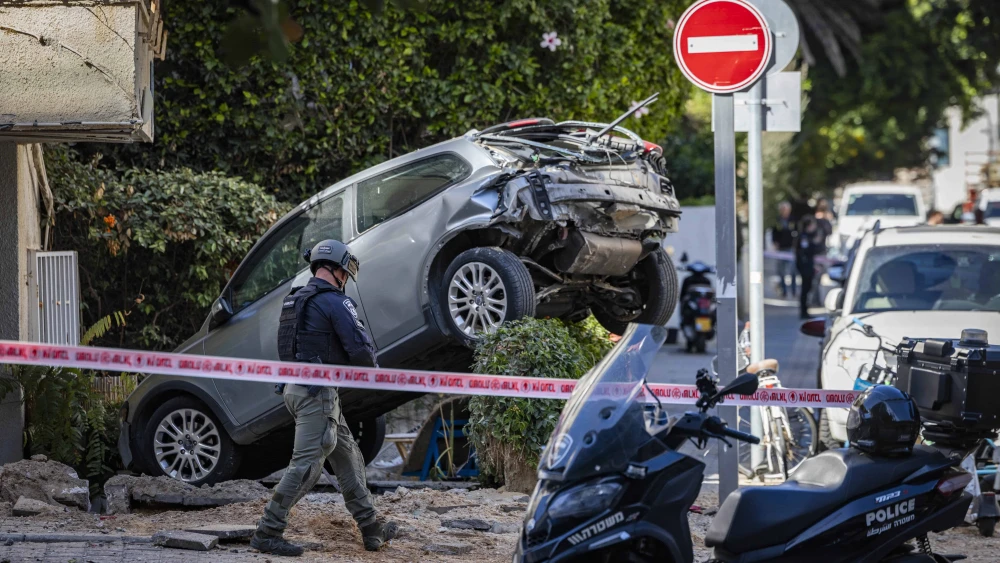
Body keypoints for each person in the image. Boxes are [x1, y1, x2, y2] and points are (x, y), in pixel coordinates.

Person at [251, 240, 398, 556]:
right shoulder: (334, 302)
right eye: (345, 270)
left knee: (347, 456)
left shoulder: (296, 300)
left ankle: (371, 528)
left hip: (298, 390)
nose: (346, 277)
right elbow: (360, 351)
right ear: (335, 268)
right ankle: (268, 530)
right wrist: (372, 370)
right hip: (317, 396)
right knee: (306, 467)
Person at [795, 216, 823, 320]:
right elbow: (805, 251)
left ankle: (805, 310)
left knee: (808, 288)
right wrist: (814, 243)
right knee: (805, 289)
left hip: (807, 265)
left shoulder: (807, 237)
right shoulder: (804, 237)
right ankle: (803, 311)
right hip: (805, 266)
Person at [771, 201, 797, 298]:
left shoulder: (793, 220)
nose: (785, 211)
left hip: (791, 248)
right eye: (783, 209)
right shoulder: (778, 220)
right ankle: (784, 291)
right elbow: (774, 233)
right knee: (781, 271)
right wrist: (775, 243)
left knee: (792, 271)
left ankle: (794, 291)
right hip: (781, 249)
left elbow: (796, 233)